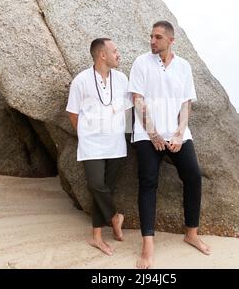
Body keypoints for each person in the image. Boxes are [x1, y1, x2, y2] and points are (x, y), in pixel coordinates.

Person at [128, 21, 211, 269]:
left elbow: (186, 104)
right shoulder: (141, 63)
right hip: (147, 134)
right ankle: (148, 245)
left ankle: (191, 233)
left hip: (177, 135)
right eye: (151, 36)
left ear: (171, 40)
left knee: (194, 177)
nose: (152, 41)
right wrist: (153, 134)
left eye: (158, 37)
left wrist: (178, 133)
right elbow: (137, 100)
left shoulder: (184, 66)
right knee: (148, 182)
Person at [66, 38, 132, 256]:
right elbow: (73, 112)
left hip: (115, 144)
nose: (118, 54)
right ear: (102, 55)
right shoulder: (81, 80)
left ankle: (97, 237)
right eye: (115, 51)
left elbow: (128, 108)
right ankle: (115, 217)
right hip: (91, 145)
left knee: (107, 188)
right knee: (96, 185)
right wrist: (86, 133)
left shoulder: (122, 79)